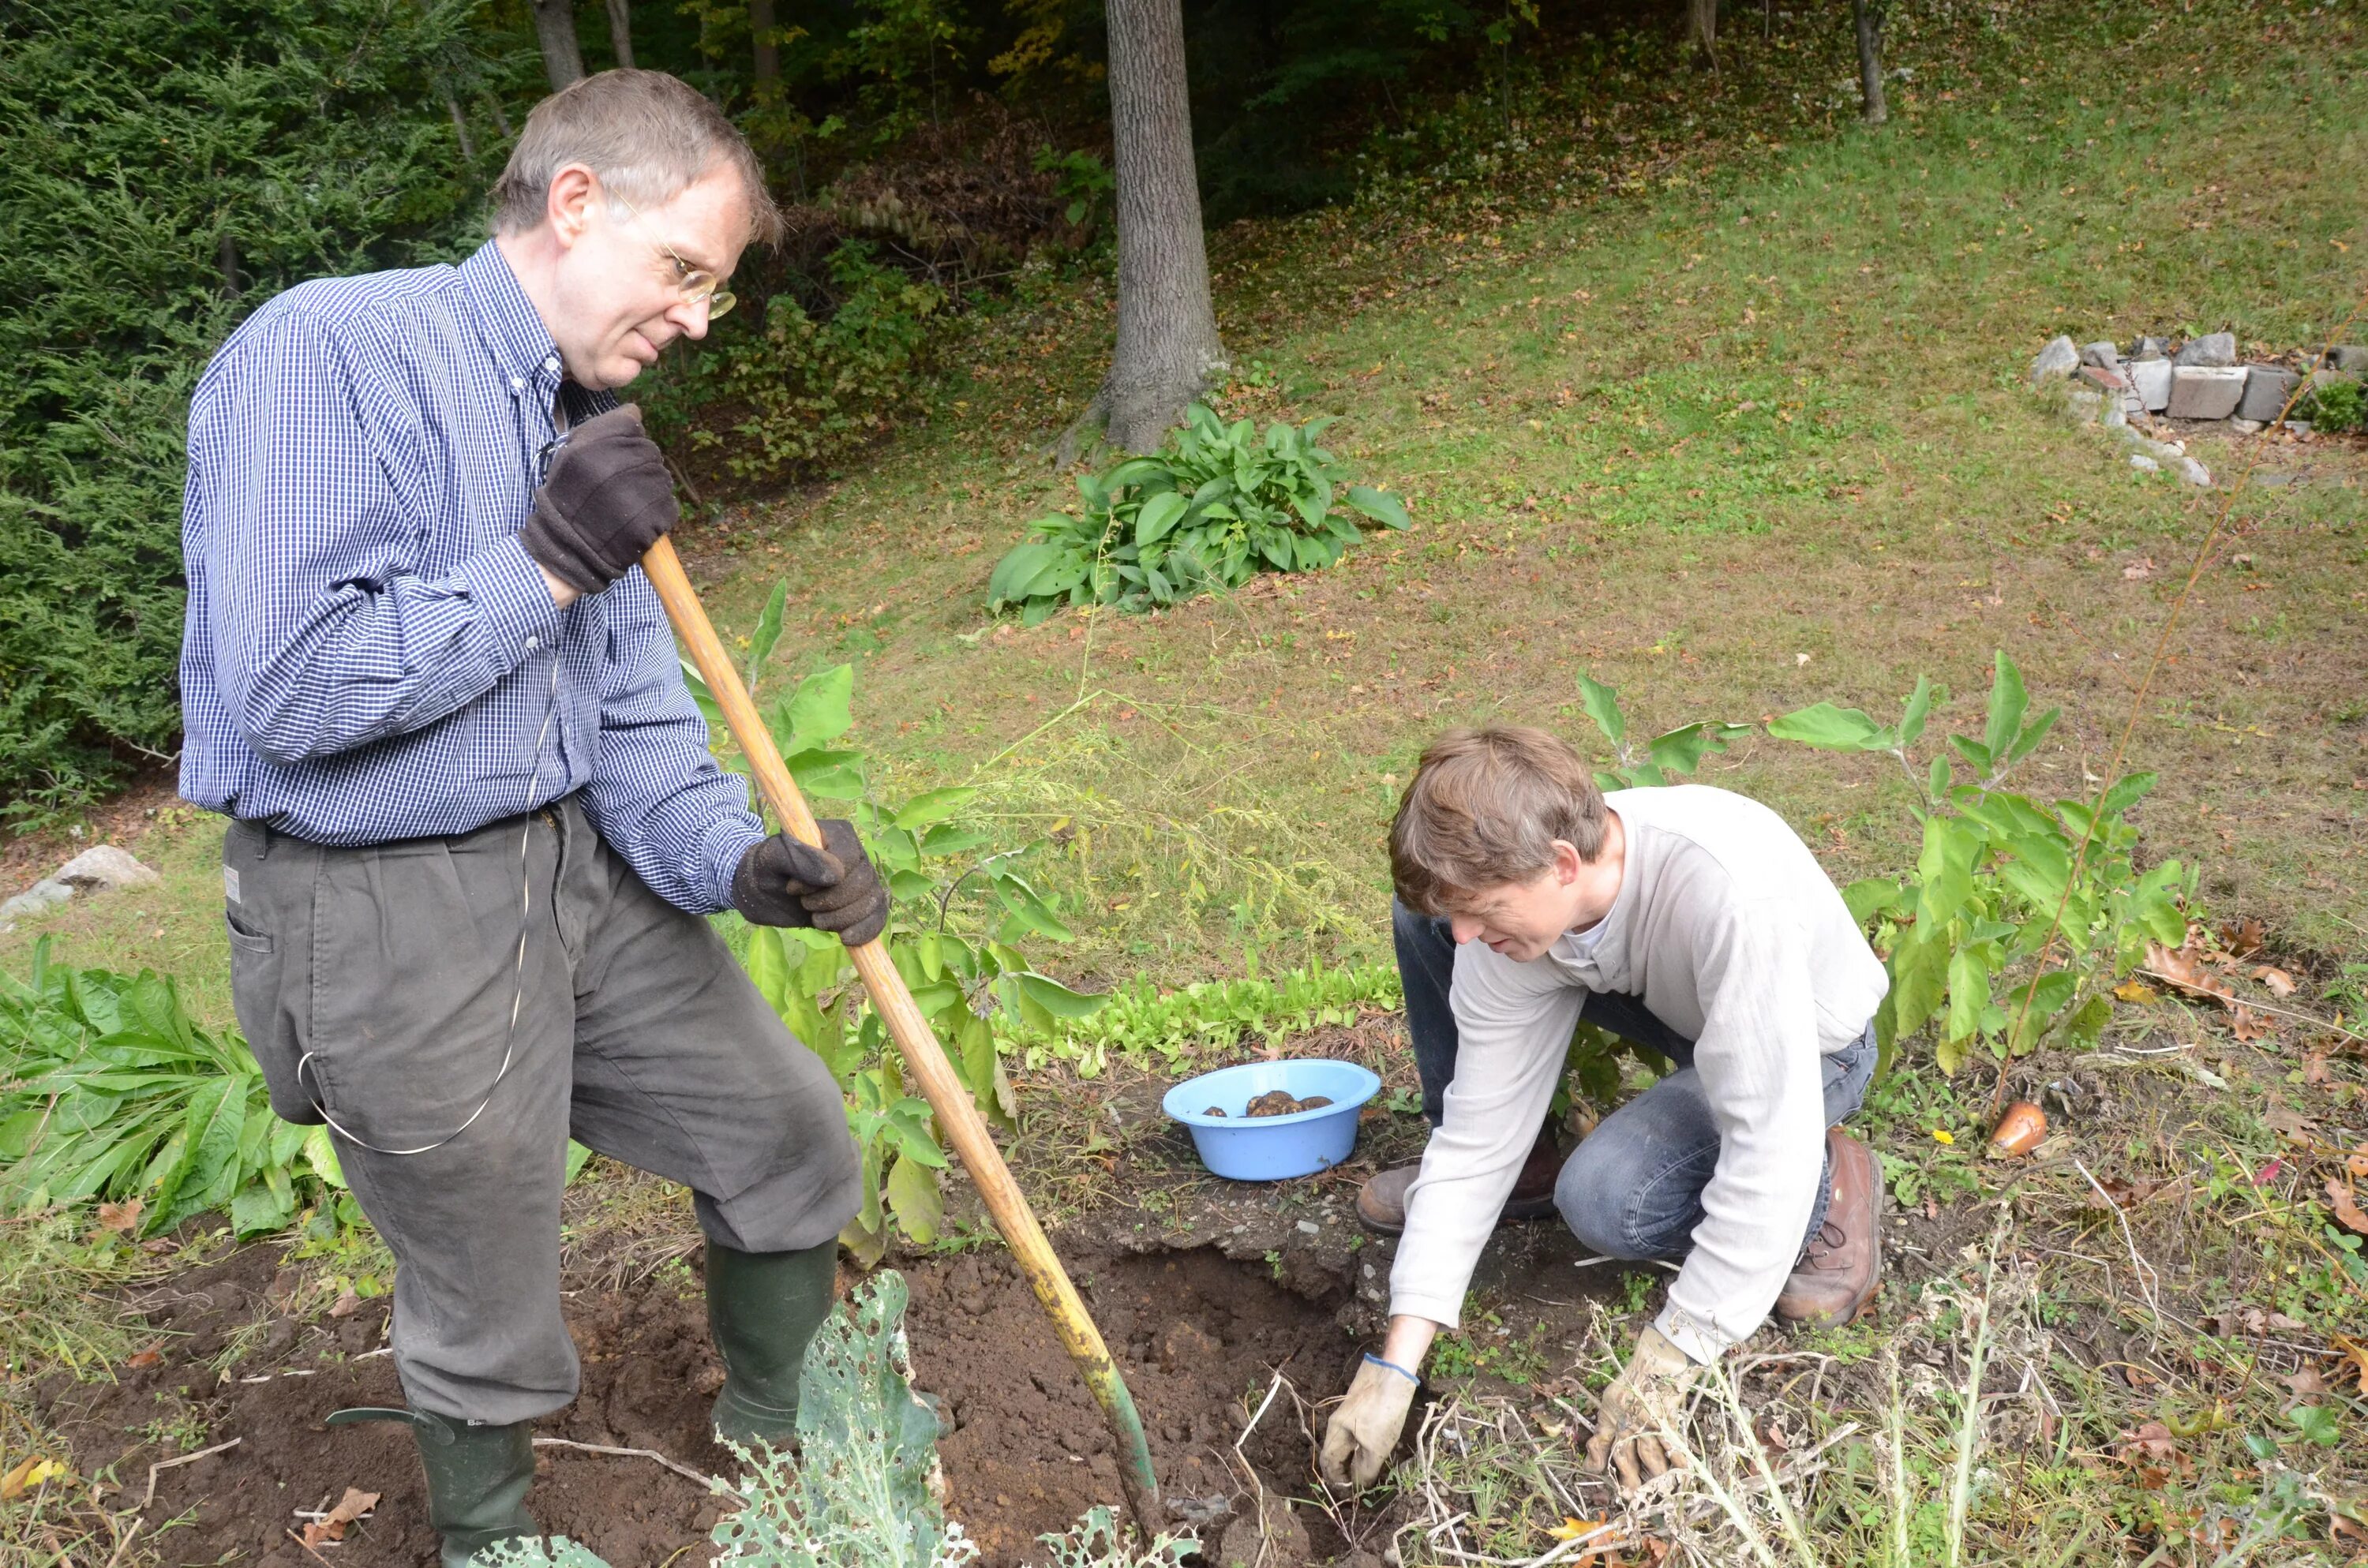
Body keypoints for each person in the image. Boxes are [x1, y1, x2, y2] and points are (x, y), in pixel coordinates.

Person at [178, 70, 886, 1566]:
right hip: (385, 905)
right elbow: (291, 688)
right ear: (574, 205)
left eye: (717, 291)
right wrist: (547, 562)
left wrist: (742, 864)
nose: (697, 318)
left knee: (785, 1132)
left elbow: (633, 721)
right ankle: (495, 1544)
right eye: (683, 272)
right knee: (489, 1289)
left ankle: (788, 1447)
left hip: (581, 870)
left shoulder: (588, 420)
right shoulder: (330, 352)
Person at [1318, 727, 1889, 1494]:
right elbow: (1476, 1138)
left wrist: (1675, 1352)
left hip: (1812, 1042)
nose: (1464, 936)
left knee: (1608, 1199)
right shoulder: (1530, 904)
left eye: (1483, 909)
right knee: (1423, 919)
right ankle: (1551, 1162)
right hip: (1691, 1012)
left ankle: (1835, 1177)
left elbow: (1765, 1147)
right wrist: (1394, 1365)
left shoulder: (1724, 893)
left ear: (1561, 862)